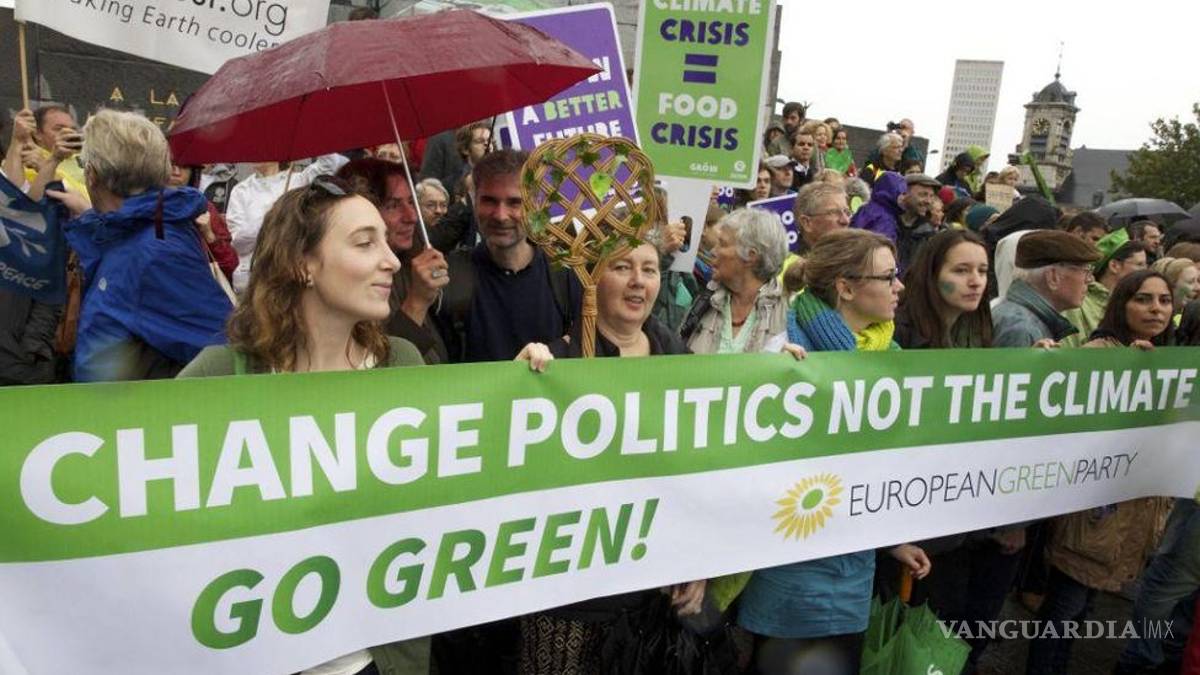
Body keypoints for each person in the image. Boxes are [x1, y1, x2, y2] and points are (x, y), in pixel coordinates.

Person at [177, 176, 431, 675]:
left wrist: (520, 388)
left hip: (374, 661)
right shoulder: (218, 376)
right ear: (302, 263)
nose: (392, 260)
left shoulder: (403, 363)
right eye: (365, 242)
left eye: (385, 239)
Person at [513, 233, 711, 675]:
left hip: (648, 595)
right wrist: (519, 385)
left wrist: (698, 560)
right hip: (570, 600)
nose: (638, 281)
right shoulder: (556, 363)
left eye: (649, 269)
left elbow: (696, 476)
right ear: (592, 278)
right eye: (622, 267)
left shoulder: (680, 362)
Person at [739, 229, 930, 675]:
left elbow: (877, 467)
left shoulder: (892, 357)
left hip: (854, 569)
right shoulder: (784, 349)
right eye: (888, 277)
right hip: (790, 564)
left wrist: (891, 542)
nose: (899, 287)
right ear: (845, 287)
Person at [1026, 269, 1176, 675]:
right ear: (1121, 304)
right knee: (1065, 611)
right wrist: (1046, 361)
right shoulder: (1100, 354)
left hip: (1127, 522)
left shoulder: (1168, 361)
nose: (1156, 309)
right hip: (1089, 520)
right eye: (1143, 299)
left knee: (1081, 612)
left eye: (1164, 300)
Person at [46, 109, 232, 382]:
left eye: (84, 164)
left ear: (93, 175)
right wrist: (88, 216)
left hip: (142, 416)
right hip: (112, 415)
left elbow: (225, 347)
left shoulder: (156, 251)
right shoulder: (141, 233)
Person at [435, 149, 581, 363]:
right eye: (489, 201)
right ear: (474, 202)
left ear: (534, 205)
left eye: (514, 202)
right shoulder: (450, 277)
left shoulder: (565, 277)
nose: (501, 215)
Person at [337, 158, 450, 364]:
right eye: (393, 205)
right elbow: (382, 366)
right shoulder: (350, 283)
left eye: (410, 202)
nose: (411, 216)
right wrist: (417, 301)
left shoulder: (411, 260)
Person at [226, 153, 350, 292]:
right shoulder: (240, 190)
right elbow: (239, 243)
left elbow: (330, 164)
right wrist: (271, 214)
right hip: (254, 276)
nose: (257, 151)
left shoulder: (299, 180)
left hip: (292, 274)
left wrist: (310, 133)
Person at [680, 209, 791, 354]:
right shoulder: (704, 303)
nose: (713, 251)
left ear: (750, 256)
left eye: (723, 244)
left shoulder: (790, 312)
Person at [990, 230, 1100, 347]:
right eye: (1085, 271)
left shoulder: (1024, 321)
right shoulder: (1021, 328)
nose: (1090, 279)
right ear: (1053, 277)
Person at [1061, 229, 1147, 347]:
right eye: (1140, 264)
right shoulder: (1078, 306)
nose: (1146, 271)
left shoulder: (1134, 304)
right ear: (1114, 266)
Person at [167, 160, 238, 281]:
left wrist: (210, 236)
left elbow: (231, 265)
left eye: (184, 167)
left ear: (193, 173)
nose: (177, 172)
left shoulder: (204, 209)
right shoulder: (142, 207)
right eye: (170, 165)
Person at [2, 105, 88, 196]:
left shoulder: (86, 159)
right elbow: (12, 197)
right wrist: (18, 139)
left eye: (73, 129)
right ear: (37, 134)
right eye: (59, 129)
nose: (68, 133)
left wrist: (46, 167)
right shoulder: (26, 161)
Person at [895, 173, 940, 271]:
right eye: (923, 195)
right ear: (904, 194)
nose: (928, 201)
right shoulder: (886, 223)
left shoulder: (929, 234)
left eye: (931, 196)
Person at [849, 170, 906, 245]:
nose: (905, 198)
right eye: (903, 193)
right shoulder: (885, 219)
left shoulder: (867, 208)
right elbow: (879, 247)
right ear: (893, 192)